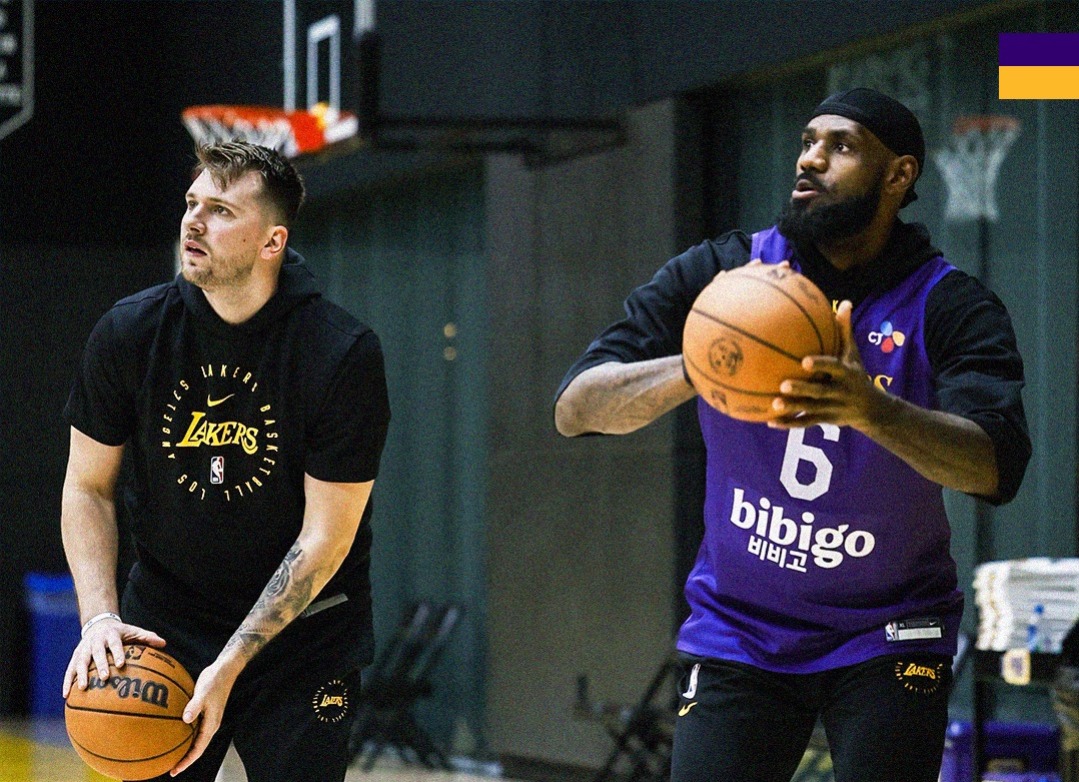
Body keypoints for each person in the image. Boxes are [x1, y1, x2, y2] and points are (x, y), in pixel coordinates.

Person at [554, 88, 1030, 782]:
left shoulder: (949, 304)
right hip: (739, 625)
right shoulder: (723, 275)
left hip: (891, 628)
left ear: (898, 175)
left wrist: (873, 411)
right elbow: (575, 408)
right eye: (808, 141)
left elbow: (996, 467)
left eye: (840, 146)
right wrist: (708, 360)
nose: (810, 158)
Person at [61, 141, 391, 781]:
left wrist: (232, 662)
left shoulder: (340, 354)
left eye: (219, 210)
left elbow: (325, 537)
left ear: (273, 241)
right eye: (191, 203)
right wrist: (100, 617)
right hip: (166, 627)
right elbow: (87, 487)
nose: (193, 220)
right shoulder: (130, 333)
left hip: (305, 636)